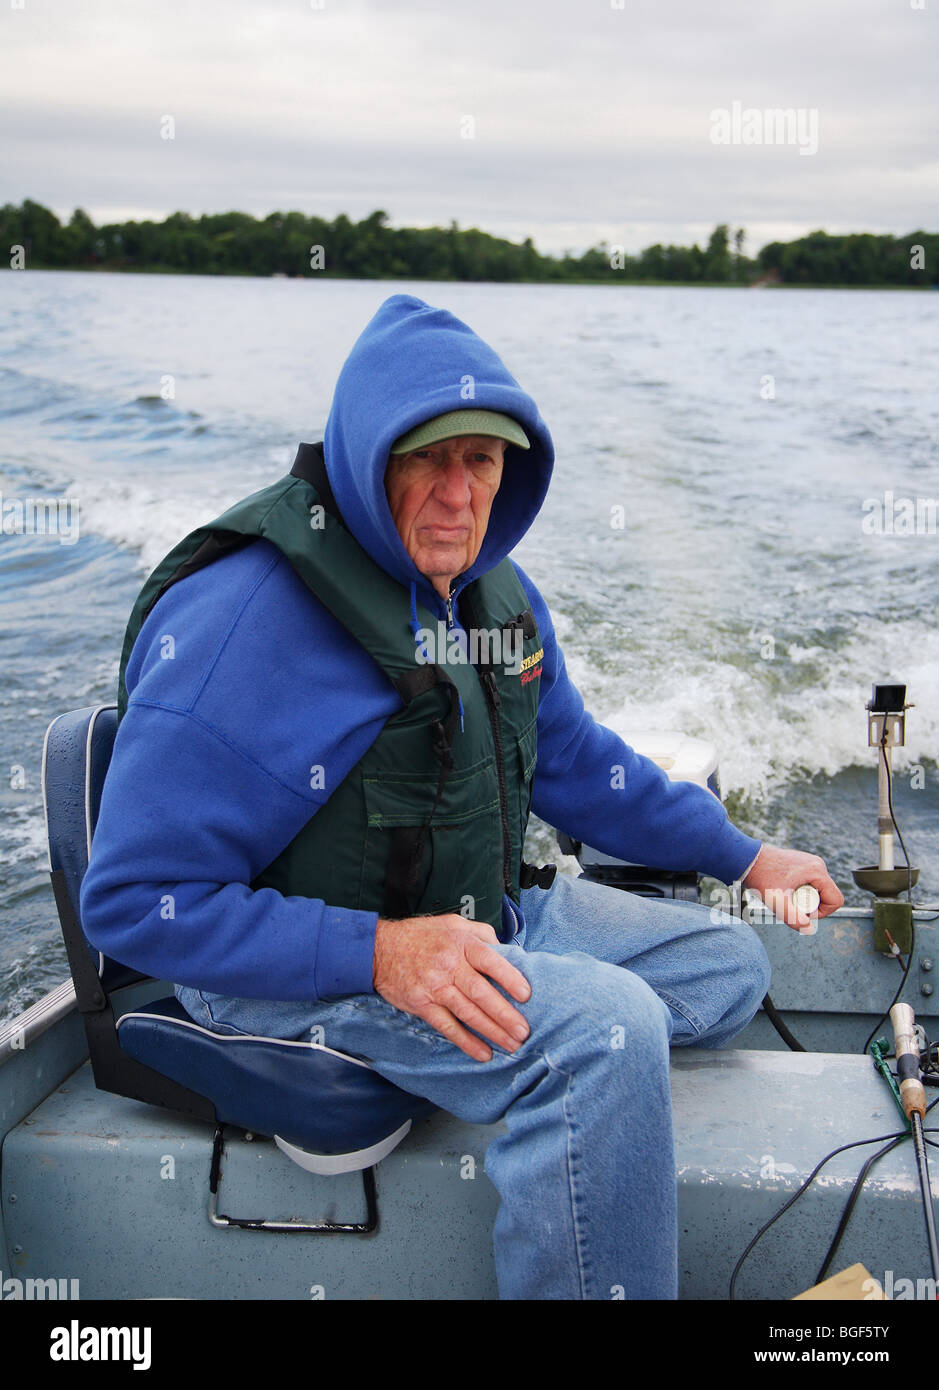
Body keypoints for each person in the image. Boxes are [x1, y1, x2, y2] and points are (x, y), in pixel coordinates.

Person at [81, 294, 843, 1300]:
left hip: (479, 918)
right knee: (603, 1034)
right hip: (296, 973)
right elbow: (135, 905)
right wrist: (384, 952)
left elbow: (580, 764)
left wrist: (748, 858)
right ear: (367, 457)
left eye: (480, 461)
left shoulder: (493, 594)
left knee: (727, 963)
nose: (457, 495)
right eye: (427, 458)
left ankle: (505, 1033)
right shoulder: (244, 627)